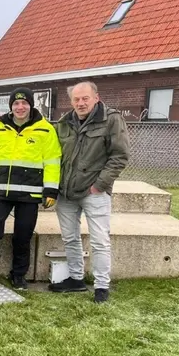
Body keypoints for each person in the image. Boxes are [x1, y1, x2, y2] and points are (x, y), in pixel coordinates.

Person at [0, 87, 62, 290]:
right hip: (1, 193)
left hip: (29, 194)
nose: (20, 107)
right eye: (16, 104)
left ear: (31, 105)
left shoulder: (45, 130)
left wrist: (50, 190)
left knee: (23, 235)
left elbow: (52, 163)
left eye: (24, 103)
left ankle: (19, 275)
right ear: (11, 106)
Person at [49, 81, 129, 303]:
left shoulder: (111, 120)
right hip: (66, 192)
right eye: (76, 99)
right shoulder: (64, 123)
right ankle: (75, 278)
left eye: (85, 98)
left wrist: (98, 186)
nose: (81, 103)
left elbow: (119, 156)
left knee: (100, 240)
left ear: (96, 97)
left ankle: (101, 286)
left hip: (94, 192)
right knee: (70, 237)